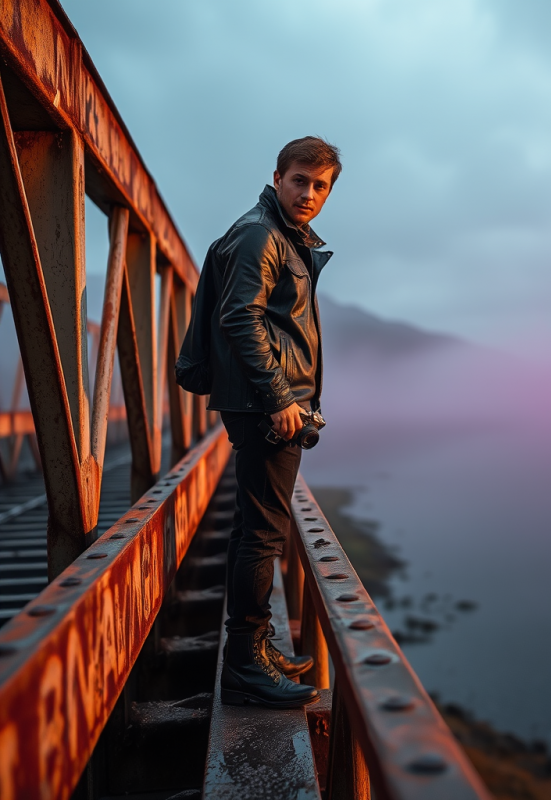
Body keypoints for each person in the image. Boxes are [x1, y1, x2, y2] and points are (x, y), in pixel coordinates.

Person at [204, 137, 341, 708]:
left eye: (320, 186)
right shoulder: (263, 233)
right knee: (263, 532)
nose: (309, 193)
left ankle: (255, 649)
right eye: (300, 180)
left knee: (253, 527)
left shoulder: (280, 233)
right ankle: (243, 664)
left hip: (266, 402)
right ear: (278, 177)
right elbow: (240, 317)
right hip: (268, 408)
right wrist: (280, 397)